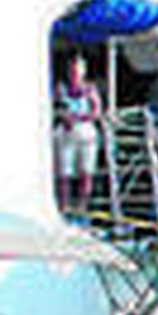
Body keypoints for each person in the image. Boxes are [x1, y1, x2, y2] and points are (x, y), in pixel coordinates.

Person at [53, 56, 104, 215]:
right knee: (63, 172)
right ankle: (63, 205)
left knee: (86, 171)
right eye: (72, 70)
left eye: (78, 70)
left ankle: (82, 206)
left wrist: (80, 118)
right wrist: (64, 117)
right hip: (66, 131)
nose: (74, 74)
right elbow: (55, 106)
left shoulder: (90, 89)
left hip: (84, 130)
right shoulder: (61, 88)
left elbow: (96, 111)